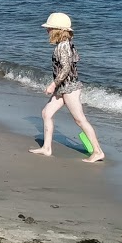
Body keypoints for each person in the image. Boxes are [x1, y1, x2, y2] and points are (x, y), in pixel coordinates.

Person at [28, 12, 105, 162]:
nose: (47, 31)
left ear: (57, 30)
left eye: (49, 28)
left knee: (79, 119)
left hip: (69, 87)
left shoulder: (63, 46)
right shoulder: (66, 44)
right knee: (46, 113)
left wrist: (52, 84)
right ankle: (47, 148)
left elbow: (66, 68)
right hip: (64, 87)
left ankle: (98, 151)